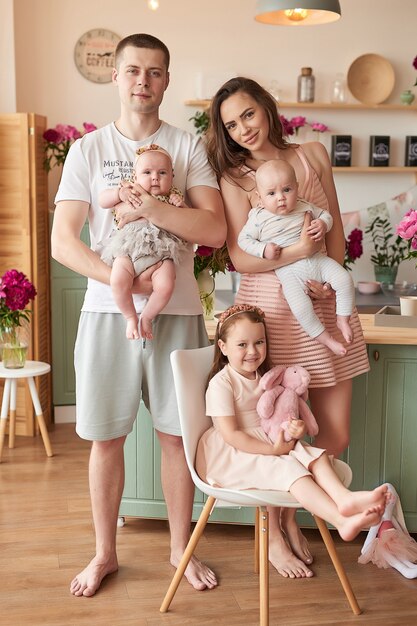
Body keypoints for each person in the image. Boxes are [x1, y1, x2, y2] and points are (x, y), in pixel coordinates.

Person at [51, 33, 225, 597]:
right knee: (106, 439)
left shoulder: (188, 147)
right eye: (133, 70)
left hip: (177, 316)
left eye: (154, 72)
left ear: (166, 81)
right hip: (108, 314)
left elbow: (215, 229)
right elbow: (62, 242)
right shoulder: (88, 151)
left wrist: (153, 209)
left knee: (177, 437)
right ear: (116, 77)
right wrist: (123, 281)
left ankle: (180, 549)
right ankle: (104, 554)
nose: (142, 81)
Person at [206, 77, 369, 579]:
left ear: (268, 110)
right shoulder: (234, 178)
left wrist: (328, 276)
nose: (243, 130)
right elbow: (239, 255)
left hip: (322, 303)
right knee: (277, 427)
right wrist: (299, 255)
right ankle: (275, 530)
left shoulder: (313, 154)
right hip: (271, 315)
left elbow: (335, 225)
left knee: (333, 433)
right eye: (231, 124)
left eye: (248, 115)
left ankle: (291, 517)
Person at [196, 304, 387, 543]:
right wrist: (273, 450)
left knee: (314, 455)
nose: (253, 351)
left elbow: (278, 418)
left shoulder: (267, 378)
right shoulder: (222, 384)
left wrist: (295, 428)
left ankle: (344, 498)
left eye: (259, 342)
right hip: (230, 454)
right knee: (291, 470)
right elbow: (231, 435)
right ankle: (340, 521)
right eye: (242, 345)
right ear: (223, 347)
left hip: (263, 441)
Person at [238, 159, 354, 356]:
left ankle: (342, 318)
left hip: (318, 261)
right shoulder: (258, 217)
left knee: (345, 279)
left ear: (297, 188)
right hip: (289, 271)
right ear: (260, 197)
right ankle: (326, 339)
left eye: (287, 190)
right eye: (272, 193)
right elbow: (243, 240)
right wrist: (263, 249)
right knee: (300, 308)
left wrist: (323, 225)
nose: (281, 198)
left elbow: (326, 215)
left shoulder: (305, 206)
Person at [99, 144, 188, 340]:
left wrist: (180, 206)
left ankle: (147, 317)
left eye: (162, 172)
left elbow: (187, 223)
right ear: (135, 175)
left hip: (161, 251)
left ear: (172, 177)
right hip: (128, 248)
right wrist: (118, 194)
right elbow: (102, 200)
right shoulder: (130, 189)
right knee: (118, 280)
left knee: (166, 285)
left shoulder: (172, 196)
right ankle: (130, 317)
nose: (155, 177)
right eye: (147, 172)